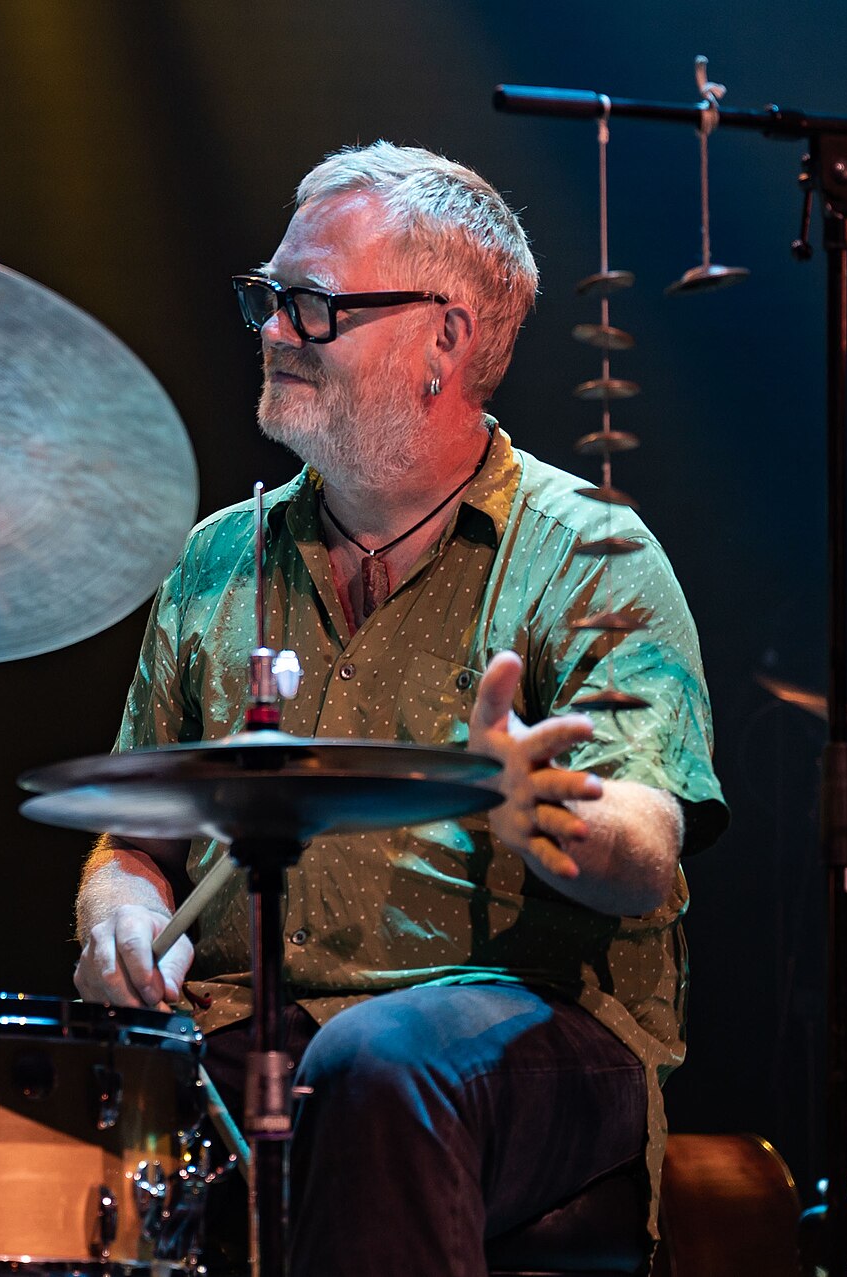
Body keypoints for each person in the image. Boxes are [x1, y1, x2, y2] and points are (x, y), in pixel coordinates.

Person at [73, 141, 726, 1277]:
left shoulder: (594, 557)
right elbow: (136, 837)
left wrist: (557, 815)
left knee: (376, 1063)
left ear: (443, 342)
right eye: (269, 298)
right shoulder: (216, 563)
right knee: (53, 1082)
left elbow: (648, 848)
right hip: (251, 1018)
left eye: (315, 304)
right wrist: (116, 913)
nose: (276, 330)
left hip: (524, 1031)